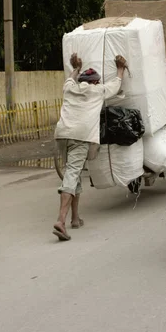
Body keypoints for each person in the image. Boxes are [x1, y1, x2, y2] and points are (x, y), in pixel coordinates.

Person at [53, 53, 127, 241]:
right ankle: (61, 221)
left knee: (74, 171)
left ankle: (75, 218)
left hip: (62, 134)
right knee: (72, 174)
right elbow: (116, 84)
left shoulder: (70, 87)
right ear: (95, 82)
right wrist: (120, 67)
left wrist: (76, 68)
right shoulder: (98, 91)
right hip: (81, 136)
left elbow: (70, 78)